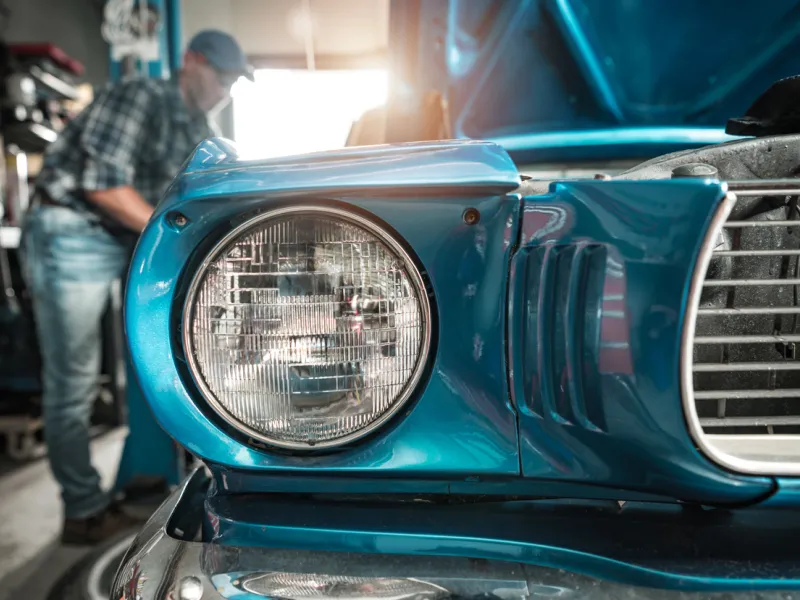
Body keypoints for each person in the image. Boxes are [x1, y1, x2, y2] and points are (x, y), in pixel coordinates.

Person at [20, 29, 252, 545]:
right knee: (75, 378)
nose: (224, 90)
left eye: (233, 82)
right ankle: (83, 511)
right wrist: (174, 240)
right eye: (219, 76)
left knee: (167, 358)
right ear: (190, 61)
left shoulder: (200, 127)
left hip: (127, 238)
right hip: (72, 232)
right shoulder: (140, 94)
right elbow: (104, 184)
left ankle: (150, 480)